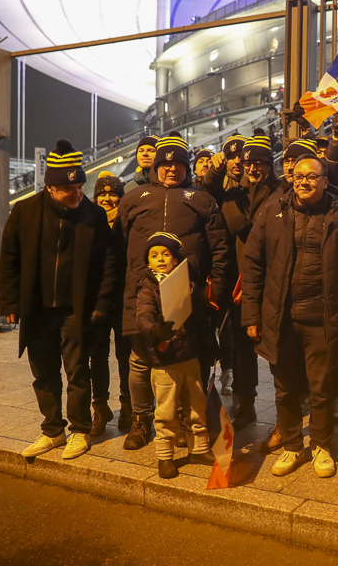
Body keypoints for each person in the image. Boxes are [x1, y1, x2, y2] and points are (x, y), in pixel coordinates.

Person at [0, 139, 121, 460]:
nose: (77, 193)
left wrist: (102, 307)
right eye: (69, 189)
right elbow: (9, 258)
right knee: (44, 373)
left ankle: (79, 430)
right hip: (37, 308)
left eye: (80, 186)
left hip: (75, 310)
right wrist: (10, 304)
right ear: (50, 187)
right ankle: (52, 430)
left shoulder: (93, 215)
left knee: (78, 371)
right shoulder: (25, 211)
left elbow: (109, 264)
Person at [242, 156, 338, 476]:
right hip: (281, 317)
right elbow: (252, 264)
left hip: (323, 317)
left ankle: (321, 444)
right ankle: (292, 445)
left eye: (311, 176)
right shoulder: (273, 211)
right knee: (285, 387)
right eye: (298, 176)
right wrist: (252, 314)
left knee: (322, 387)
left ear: (324, 180)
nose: (303, 181)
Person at [117, 131, 228, 450]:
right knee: (139, 362)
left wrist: (213, 292)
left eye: (179, 164)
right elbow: (117, 246)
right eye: (166, 164)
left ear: (187, 166)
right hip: (143, 297)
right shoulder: (134, 199)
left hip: (188, 298)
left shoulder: (202, 200)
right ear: (155, 166)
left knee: (190, 362)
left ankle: (185, 419)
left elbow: (220, 249)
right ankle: (142, 420)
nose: (172, 169)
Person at [215, 128, 284, 431]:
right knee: (243, 346)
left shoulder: (281, 193)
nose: (255, 168)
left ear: (270, 166)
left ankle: (287, 406)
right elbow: (211, 194)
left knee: (276, 346)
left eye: (262, 163)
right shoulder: (232, 195)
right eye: (250, 163)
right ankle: (247, 401)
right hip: (239, 282)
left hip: (271, 281)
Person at [136, 232, 215, 479]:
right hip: (165, 361)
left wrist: (209, 344)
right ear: (148, 262)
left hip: (190, 356)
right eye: (154, 255)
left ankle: (199, 449)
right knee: (166, 412)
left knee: (196, 405)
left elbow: (200, 319)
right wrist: (156, 330)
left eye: (166, 254)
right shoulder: (147, 288)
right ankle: (165, 456)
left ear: (175, 258)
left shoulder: (187, 283)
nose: (160, 259)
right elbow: (143, 316)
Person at [89, 171, 132, 434]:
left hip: (124, 297)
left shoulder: (127, 222)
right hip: (97, 300)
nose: (107, 198)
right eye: (102, 194)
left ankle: (127, 405)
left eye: (112, 193)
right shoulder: (88, 222)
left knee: (125, 355)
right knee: (98, 356)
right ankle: (100, 408)